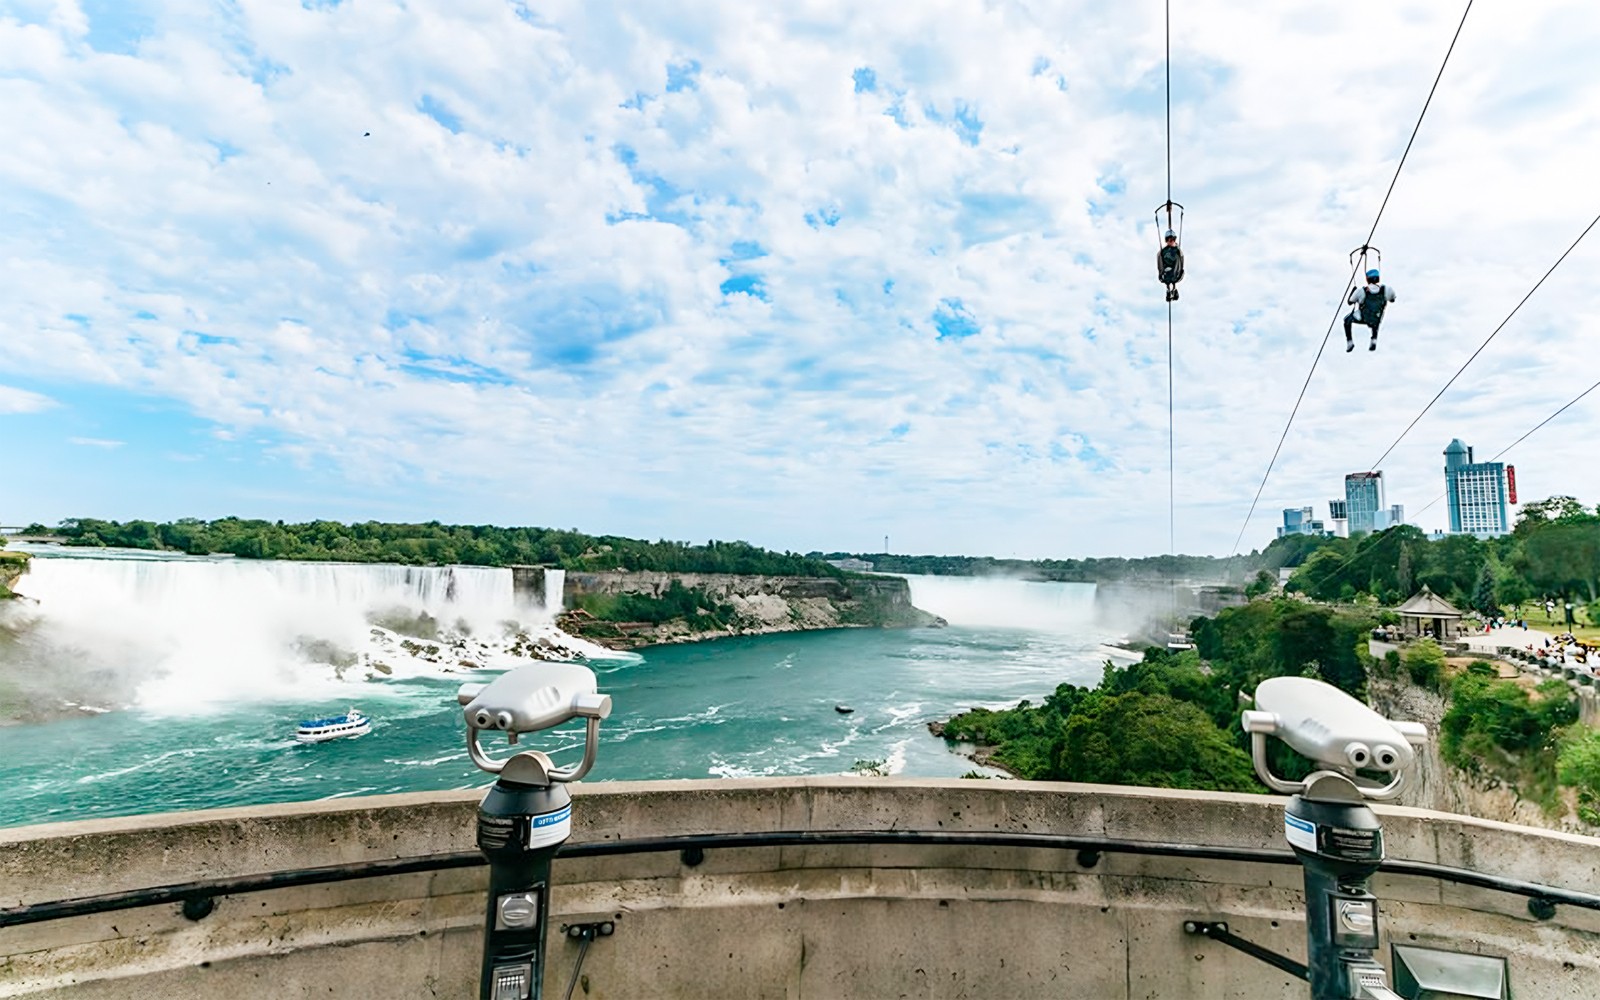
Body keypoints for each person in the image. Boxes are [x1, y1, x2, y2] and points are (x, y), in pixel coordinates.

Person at [1344, 268, 1396, 351]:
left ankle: (1350, 342)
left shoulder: (1361, 291)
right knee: (1376, 318)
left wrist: (1353, 291)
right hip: (1376, 318)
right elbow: (1392, 300)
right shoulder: (1387, 289)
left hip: (1363, 317)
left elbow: (1350, 302)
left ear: (1367, 279)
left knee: (1347, 320)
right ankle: (1374, 339)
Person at [1157, 230, 1184, 302]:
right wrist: (1160, 273)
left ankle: (1173, 290)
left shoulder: (1177, 250)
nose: (1171, 241)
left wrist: (1181, 271)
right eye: (1169, 239)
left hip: (1176, 272)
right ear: (1166, 240)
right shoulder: (1163, 251)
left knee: (1172, 278)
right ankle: (1170, 290)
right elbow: (1159, 261)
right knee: (1168, 279)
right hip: (1166, 272)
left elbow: (1181, 261)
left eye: (1173, 239)